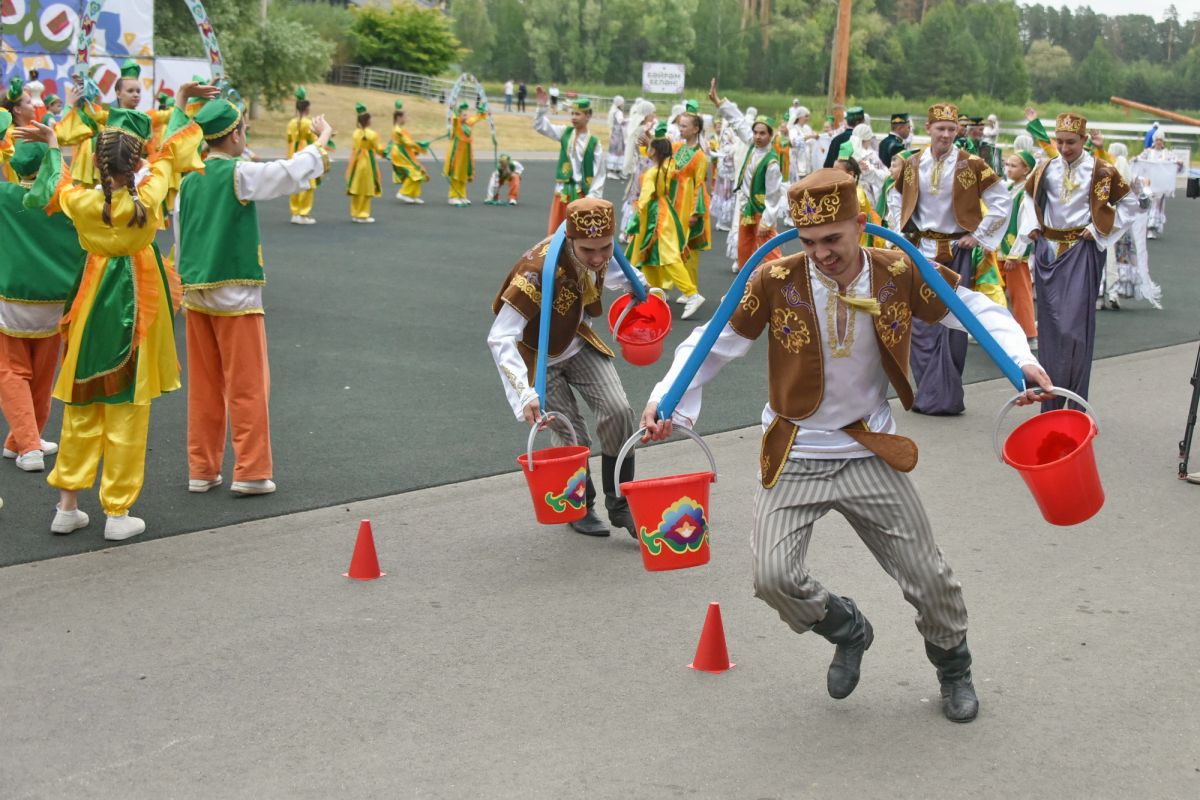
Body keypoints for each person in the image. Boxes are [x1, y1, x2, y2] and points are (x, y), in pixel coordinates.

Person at [641, 169, 1051, 723]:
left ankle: (953, 668)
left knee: (928, 576)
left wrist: (1020, 360)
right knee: (772, 578)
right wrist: (666, 399)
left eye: (832, 239)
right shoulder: (775, 278)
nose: (820, 254)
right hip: (795, 452)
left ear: (860, 224)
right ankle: (847, 628)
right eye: (808, 242)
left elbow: (971, 309)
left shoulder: (897, 271)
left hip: (867, 448)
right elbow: (712, 342)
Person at [16, 81, 217, 540]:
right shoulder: (147, 198)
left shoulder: (83, 203)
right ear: (136, 163)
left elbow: (59, 183)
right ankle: (118, 513)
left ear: (97, 163)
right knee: (128, 407)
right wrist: (183, 102)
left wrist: (52, 144)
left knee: (84, 402)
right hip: (137, 308)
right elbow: (172, 150)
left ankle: (67, 507)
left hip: (90, 307)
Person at [175, 99, 332, 497]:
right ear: (234, 135)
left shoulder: (188, 179)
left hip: (196, 294)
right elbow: (287, 174)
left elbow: (181, 237)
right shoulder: (238, 174)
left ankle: (202, 468)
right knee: (247, 386)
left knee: (204, 386)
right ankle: (250, 470)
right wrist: (323, 140)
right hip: (236, 296)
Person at [488, 197, 651, 538]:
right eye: (588, 250)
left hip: (576, 341)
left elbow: (622, 275)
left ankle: (621, 504)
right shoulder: (535, 271)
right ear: (571, 240)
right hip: (540, 355)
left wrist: (642, 288)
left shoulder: (601, 252)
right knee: (570, 432)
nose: (597, 258)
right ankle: (581, 505)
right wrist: (523, 393)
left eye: (605, 248)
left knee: (619, 410)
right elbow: (500, 336)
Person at [887, 102, 1011, 416]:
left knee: (955, 326)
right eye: (940, 129)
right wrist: (899, 235)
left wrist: (979, 235)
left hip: (956, 253)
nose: (945, 135)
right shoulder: (912, 163)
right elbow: (895, 196)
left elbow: (1001, 201)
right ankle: (930, 392)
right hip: (920, 252)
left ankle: (945, 396)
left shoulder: (972, 164)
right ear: (927, 128)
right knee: (920, 324)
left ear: (957, 131)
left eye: (951, 129)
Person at [1016, 112, 1140, 412]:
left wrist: (1098, 229)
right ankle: (1051, 399)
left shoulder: (1101, 170)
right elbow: (1028, 198)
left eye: (1070, 142)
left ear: (1084, 139)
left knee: (1073, 329)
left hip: (1082, 250)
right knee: (1051, 326)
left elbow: (1130, 204)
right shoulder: (1045, 167)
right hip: (1048, 251)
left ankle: (1073, 399)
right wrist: (1032, 225)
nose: (1064, 147)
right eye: (1059, 141)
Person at [0, 108, 86, 474]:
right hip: (56, 302)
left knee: (11, 371)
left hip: (12, 300)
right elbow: (61, 179)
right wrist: (53, 146)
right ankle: (21, 438)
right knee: (42, 370)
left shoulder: (4, 195)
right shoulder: (65, 199)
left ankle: (29, 444)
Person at [710, 80, 785, 271]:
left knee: (771, 256)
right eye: (755, 132)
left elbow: (774, 195)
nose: (757, 136)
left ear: (770, 135)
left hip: (761, 210)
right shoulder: (752, 145)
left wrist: (767, 222)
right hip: (746, 209)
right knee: (744, 252)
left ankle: (783, 289)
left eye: (762, 133)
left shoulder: (772, 162)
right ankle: (746, 290)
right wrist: (719, 102)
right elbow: (738, 122)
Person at [624, 123, 696, 306]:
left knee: (667, 255)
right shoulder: (666, 168)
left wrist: (632, 224)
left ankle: (691, 293)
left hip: (656, 217)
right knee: (648, 256)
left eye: (650, 147)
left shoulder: (654, 173)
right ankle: (654, 291)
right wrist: (654, 143)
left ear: (654, 151)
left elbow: (644, 201)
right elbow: (670, 162)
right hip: (665, 213)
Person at [534, 90, 606, 234]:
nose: (574, 117)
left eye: (578, 114)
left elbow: (600, 173)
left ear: (588, 116)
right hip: (562, 193)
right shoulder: (565, 133)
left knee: (578, 235)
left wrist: (592, 198)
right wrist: (542, 108)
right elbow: (541, 126)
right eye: (572, 114)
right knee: (555, 235)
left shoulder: (594, 143)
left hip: (581, 195)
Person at [1103, 142, 1160, 310]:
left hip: (1105, 223)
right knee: (1119, 259)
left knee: (1104, 259)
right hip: (1122, 227)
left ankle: (1100, 295)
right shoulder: (1132, 178)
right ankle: (1114, 292)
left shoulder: (1104, 175)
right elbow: (1145, 202)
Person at [670, 109, 711, 318]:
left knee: (689, 248)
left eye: (684, 126)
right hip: (674, 203)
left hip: (688, 205)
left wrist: (696, 212)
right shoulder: (677, 147)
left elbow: (700, 185)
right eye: (680, 125)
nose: (681, 129)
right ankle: (682, 286)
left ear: (696, 129)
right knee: (674, 244)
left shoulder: (700, 156)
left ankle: (690, 288)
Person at [998, 151, 1038, 343]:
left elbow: (1026, 225)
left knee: (1020, 294)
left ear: (1026, 170)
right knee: (992, 291)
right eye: (1007, 165)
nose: (1009, 169)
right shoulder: (1008, 189)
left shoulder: (1026, 194)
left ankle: (1028, 333)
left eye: (1014, 166)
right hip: (998, 251)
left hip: (1013, 253)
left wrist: (1015, 254)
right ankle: (996, 330)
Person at [1134, 129, 1182, 239]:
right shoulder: (1148, 152)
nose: (1159, 142)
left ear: (1163, 141)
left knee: (1157, 206)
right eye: (1157, 140)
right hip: (1149, 184)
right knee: (1147, 205)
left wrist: (1178, 163)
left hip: (1161, 186)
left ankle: (1153, 228)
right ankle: (1146, 228)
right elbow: (1139, 160)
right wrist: (1135, 160)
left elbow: (1176, 163)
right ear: (1154, 141)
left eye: (1161, 140)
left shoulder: (1167, 154)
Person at [286, 87, 321, 224]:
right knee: (308, 183)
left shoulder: (292, 123)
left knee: (295, 182)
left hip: (293, 152)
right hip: (305, 152)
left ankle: (295, 212)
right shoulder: (308, 122)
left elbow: (289, 139)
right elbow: (313, 139)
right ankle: (303, 213)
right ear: (306, 109)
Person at [444, 100, 488, 206]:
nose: (466, 116)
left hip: (466, 154)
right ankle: (453, 196)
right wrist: (453, 108)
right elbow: (453, 118)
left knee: (463, 175)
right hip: (457, 154)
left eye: (466, 115)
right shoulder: (457, 124)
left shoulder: (468, 123)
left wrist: (482, 111)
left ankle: (462, 195)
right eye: (463, 115)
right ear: (459, 116)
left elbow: (476, 118)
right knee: (456, 174)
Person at [346, 103, 384, 222]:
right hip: (367, 162)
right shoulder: (372, 134)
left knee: (357, 187)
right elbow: (378, 149)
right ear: (367, 120)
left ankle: (355, 212)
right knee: (366, 188)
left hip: (356, 161)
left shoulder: (356, 133)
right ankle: (363, 214)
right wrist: (386, 151)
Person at [388, 99, 430, 205]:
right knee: (414, 172)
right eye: (405, 117)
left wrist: (417, 146)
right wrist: (419, 145)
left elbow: (408, 142)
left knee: (418, 171)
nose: (406, 119)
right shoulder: (397, 130)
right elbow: (407, 142)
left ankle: (413, 194)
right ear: (399, 118)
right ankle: (403, 193)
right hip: (400, 153)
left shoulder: (400, 129)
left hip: (404, 151)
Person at [787, 105, 815, 182]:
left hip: (807, 161)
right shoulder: (793, 129)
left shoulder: (807, 128)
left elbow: (812, 142)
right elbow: (794, 142)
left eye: (808, 116)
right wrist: (809, 136)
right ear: (800, 117)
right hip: (797, 160)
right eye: (806, 116)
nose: (807, 119)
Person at [606, 96, 626, 177]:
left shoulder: (613, 111)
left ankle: (613, 169)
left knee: (613, 150)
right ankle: (614, 170)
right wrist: (630, 120)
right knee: (618, 151)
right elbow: (621, 121)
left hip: (614, 133)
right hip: (618, 134)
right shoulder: (618, 112)